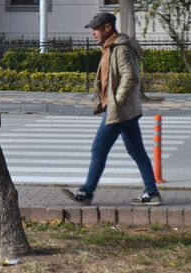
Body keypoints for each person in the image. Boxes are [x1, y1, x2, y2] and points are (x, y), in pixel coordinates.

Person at [62, 12, 162, 206]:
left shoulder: (120, 48)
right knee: (137, 151)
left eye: (96, 29)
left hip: (120, 110)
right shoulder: (110, 47)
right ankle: (152, 192)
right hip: (127, 110)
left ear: (108, 27)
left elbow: (130, 76)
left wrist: (118, 99)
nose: (93, 33)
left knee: (99, 148)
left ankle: (86, 192)